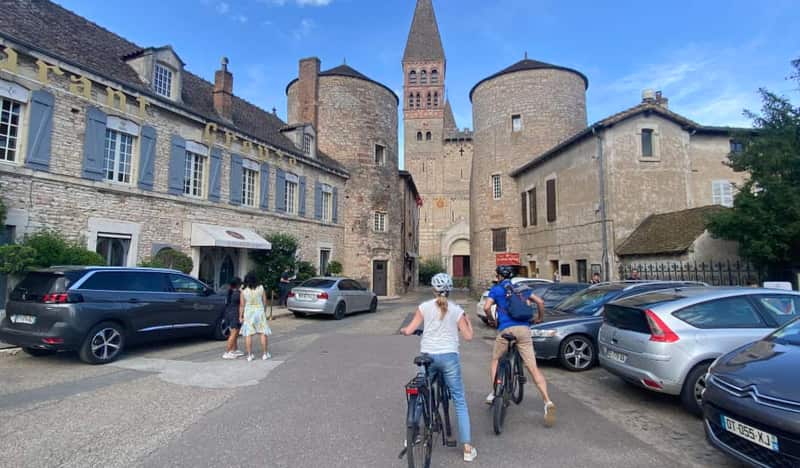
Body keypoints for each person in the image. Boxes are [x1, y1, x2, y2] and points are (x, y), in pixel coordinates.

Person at [400, 273, 477, 462]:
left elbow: (409, 330)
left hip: (428, 356)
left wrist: (404, 331)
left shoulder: (424, 307)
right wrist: (468, 323)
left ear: (433, 290)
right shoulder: (456, 310)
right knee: (459, 400)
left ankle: (412, 435)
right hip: (449, 357)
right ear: (450, 290)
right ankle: (467, 448)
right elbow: (468, 337)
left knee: (420, 393)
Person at [484, 265, 556, 427]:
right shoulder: (522, 288)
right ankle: (547, 401)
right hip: (524, 330)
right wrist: (538, 318)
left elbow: (487, 307)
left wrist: (491, 319)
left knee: (495, 359)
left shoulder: (496, 290)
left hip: (505, 329)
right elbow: (540, 302)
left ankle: (495, 391)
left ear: (499, 277)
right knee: (533, 368)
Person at [239, 272, 272, 361]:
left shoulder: (243, 290)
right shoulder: (261, 288)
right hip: (259, 311)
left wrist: (240, 316)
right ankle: (265, 354)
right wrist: (264, 312)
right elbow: (265, 301)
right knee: (262, 333)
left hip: (249, 312)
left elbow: (242, 305)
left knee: (248, 334)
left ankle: (249, 355)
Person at [222, 277, 244, 360]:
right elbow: (242, 304)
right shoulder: (237, 294)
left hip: (229, 313)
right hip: (234, 314)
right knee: (234, 333)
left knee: (235, 332)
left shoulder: (230, 291)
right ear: (238, 285)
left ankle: (234, 349)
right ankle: (227, 352)